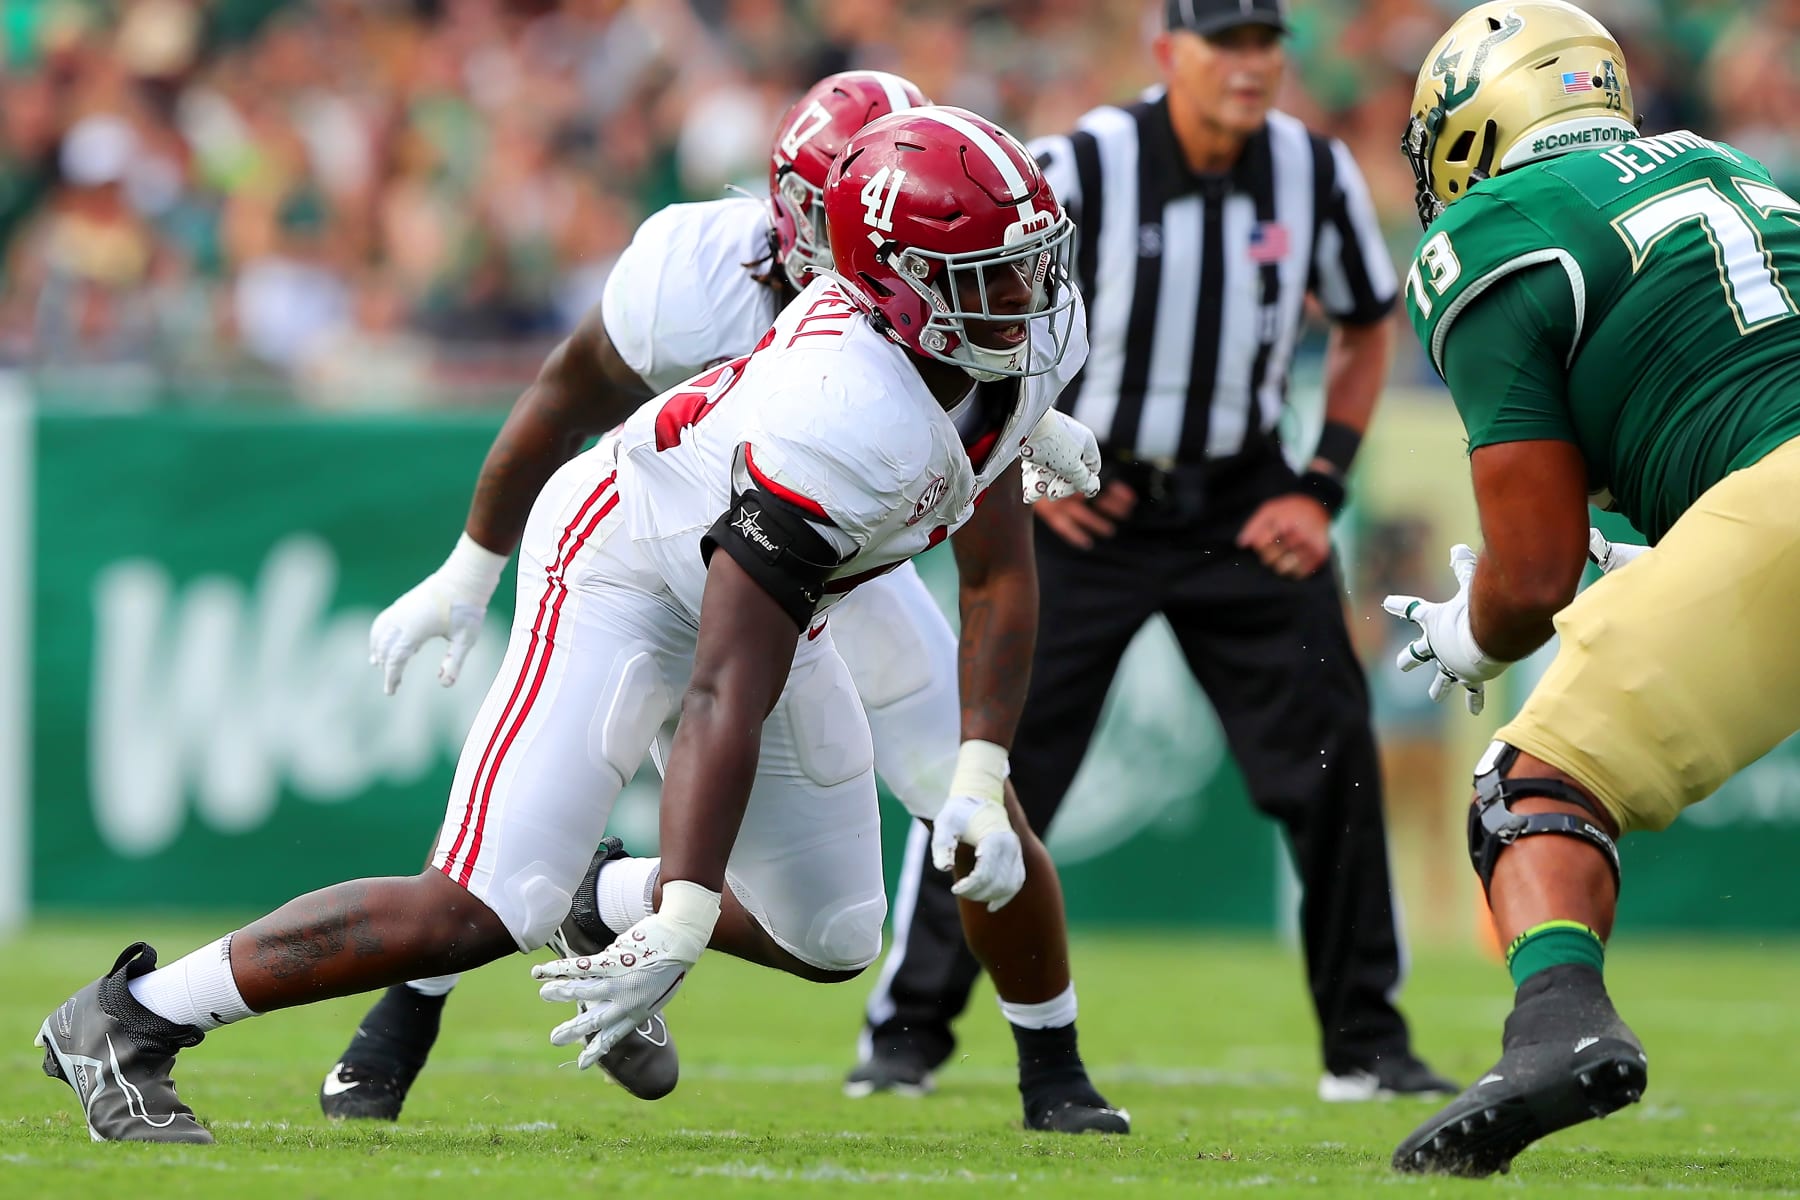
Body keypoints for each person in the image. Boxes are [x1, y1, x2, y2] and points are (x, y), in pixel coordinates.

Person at [34, 103, 1116, 1145]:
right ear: (900, 284)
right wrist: (687, 911)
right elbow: (723, 687)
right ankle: (129, 1020)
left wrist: (977, 776)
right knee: (478, 908)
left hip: (778, 594)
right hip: (623, 570)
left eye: (1032, 257)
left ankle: (598, 899)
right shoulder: (843, 410)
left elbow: (997, 582)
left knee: (832, 937)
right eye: (996, 271)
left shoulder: (989, 356)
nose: (1034, 291)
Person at [849, 0, 1452, 1104]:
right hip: (1089, 496)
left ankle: (1368, 1046)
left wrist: (1321, 488)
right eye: (1226, 41)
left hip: (1244, 501)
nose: (1251, 63)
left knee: (1335, 763)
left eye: (1267, 41)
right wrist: (1024, 460)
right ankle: (905, 1037)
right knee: (988, 768)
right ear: (1168, 51)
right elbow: (976, 311)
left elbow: (1370, 321)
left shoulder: (1311, 172)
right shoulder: (1080, 162)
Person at [1382, 0, 1800, 1176]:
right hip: (1770, 500)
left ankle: (1557, 1028)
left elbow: (1531, 575)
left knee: (1532, 783)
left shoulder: (1497, 231)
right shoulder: (1725, 164)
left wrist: (1470, 634)